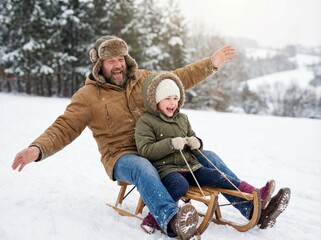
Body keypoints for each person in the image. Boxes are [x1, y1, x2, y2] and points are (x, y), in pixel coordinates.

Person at [10, 35, 288, 239]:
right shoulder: (88, 96)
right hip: (123, 156)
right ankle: (171, 219)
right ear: (100, 64)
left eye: (120, 58)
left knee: (208, 156)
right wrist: (37, 149)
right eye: (110, 60)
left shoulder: (143, 79)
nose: (117, 64)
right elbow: (64, 127)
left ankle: (253, 205)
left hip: (161, 149)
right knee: (142, 166)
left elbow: (178, 78)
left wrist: (211, 63)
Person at [135, 72, 291, 234]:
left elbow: (192, 137)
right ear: (156, 100)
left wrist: (196, 142)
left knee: (218, 176)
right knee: (180, 185)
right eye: (167, 98)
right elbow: (146, 151)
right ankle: (153, 218)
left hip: (191, 167)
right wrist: (170, 144)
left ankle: (256, 194)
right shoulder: (146, 122)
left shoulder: (182, 118)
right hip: (166, 170)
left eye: (175, 98)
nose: (172, 103)